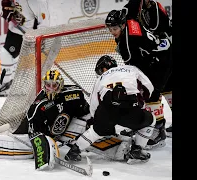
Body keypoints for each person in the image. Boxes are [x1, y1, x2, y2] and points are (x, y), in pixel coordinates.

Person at [0, 69, 93, 170]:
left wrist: (91, 125)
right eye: (48, 85)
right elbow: (36, 134)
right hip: (35, 126)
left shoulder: (75, 94)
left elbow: (85, 110)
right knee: (16, 135)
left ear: (61, 85)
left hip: (60, 129)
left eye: (54, 85)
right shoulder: (39, 107)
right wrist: (47, 148)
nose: (51, 89)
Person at [65, 55, 156, 164]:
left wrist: (98, 121)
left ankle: (73, 151)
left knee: (94, 132)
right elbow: (149, 87)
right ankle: (137, 150)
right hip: (130, 107)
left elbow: (94, 104)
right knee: (150, 120)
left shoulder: (101, 77)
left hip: (107, 108)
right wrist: (142, 102)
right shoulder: (131, 69)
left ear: (103, 69)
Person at [105, 9, 172, 149]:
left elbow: (135, 68)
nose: (112, 31)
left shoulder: (127, 43)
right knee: (168, 88)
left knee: (151, 95)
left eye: (115, 28)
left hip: (160, 62)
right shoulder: (130, 22)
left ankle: (158, 133)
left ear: (122, 25)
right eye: (110, 28)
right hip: (166, 55)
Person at [123, 0, 172, 137]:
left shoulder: (155, 7)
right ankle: (156, 127)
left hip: (164, 55)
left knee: (157, 91)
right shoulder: (133, 8)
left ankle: (157, 129)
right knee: (161, 90)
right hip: (159, 55)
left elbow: (162, 27)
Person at [0, 0, 50, 94]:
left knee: (25, 61)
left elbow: (44, 22)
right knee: (6, 54)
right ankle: (6, 82)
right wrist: (8, 13)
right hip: (16, 30)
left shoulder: (37, 2)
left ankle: (36, 85)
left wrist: (40, 38)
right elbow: (7, 14)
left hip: (31, 33)